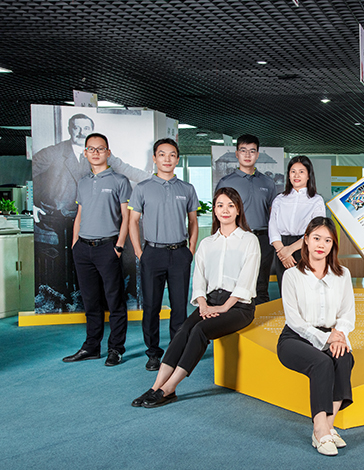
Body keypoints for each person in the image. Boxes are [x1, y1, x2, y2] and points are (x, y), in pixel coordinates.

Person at [132, 187, 259, 408]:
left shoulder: (249, 240)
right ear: (215, 210)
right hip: (210, 302)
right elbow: (199, 279)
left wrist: (223, 308)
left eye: (231, 205)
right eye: (220, 205)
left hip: (238, 307)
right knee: (183, 330)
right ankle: (156, 386)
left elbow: (246, 281)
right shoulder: (207, 243)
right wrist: (203, 305)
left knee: (200, 330)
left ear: (238, 210)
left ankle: (170, 388)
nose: (225, 210)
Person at [32, 113, 149, 310]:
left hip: (94, 222)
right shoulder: (52, 153)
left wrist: (157, 180)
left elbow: (128, 170)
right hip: (61, 217)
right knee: (69, 268)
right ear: (69, 129)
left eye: (85, 128)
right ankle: (68, 297)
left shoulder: (103, 156)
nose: (80, 132)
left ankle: (118, 295)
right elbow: (31, 173)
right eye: (76, 127)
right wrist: (35, 203)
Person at [276, 217, 355, 456]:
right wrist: (327, 339)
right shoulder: (292, 276)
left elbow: (347, 313)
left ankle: (326, 427)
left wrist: (339, 335)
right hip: (295, 338)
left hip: (331, 334)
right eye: (316, 238)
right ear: (306, 240)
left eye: (328, 240)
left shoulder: (343, 274)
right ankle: (321, 429)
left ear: (333, 245)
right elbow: (295, 321)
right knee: (322, 362)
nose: (321, 244)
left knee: (344, 358)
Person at [128, 138, 199, 371]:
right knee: (151, 307)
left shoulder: (187, 189)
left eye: (172, 155)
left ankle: (174, 352)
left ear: (177, 159)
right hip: (152, 253)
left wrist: (190, 250)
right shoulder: (142, 188)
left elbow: (193, 221)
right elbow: (133, 221)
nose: (167, 159)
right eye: (162, 154)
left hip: (179, 254)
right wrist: (139, 252)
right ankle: (153, 353)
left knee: (179, 307)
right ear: (154, 158)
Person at [62, 133, 131, 366]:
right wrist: (75, 243)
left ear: (108, 152)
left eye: (100, 149)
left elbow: (126, 216)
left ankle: (116, 349)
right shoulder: (82, 182)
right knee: (90, 302)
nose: (95, 153)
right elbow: (80, 214)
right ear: (85, 153)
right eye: (91, 149)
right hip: (83, 249)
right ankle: (91, 347)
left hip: (107, 248)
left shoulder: (120, 181)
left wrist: (119, 246)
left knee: (114, 302)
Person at [216, 134, 277, 305]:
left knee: (261, 285)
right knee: (236, 284)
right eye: (243, 151)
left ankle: (261, 320)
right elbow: (219, 213)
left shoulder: (268, 183)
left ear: (257, 154)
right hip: (237, 239)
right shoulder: (226, 182)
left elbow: (273, 214)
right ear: (237, 154)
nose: (248, 155)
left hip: (262, 239)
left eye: (252, 151)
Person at [269, 155, 326, 294]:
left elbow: (316, 231)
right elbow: (273, 227)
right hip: (281, 247)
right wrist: (282, 252)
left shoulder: (316, 200)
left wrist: (290, 250)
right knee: (285, 290)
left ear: (308, 175)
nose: (296, 175)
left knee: (305, 290)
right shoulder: (279, 199)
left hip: (305, 246)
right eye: (293, 171)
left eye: (301, 171)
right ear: (288, 175)